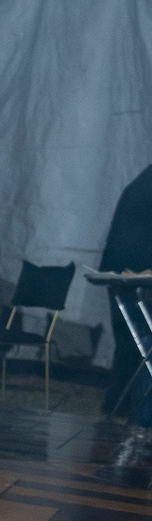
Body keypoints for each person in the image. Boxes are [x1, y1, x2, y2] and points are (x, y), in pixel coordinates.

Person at [102, 165, 152, 417]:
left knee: (131, 344)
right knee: (135, 343)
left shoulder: (141, 183)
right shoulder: (145, 187)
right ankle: (131, 409)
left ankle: (121, 407)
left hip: (124, 276)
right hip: (135, 278)